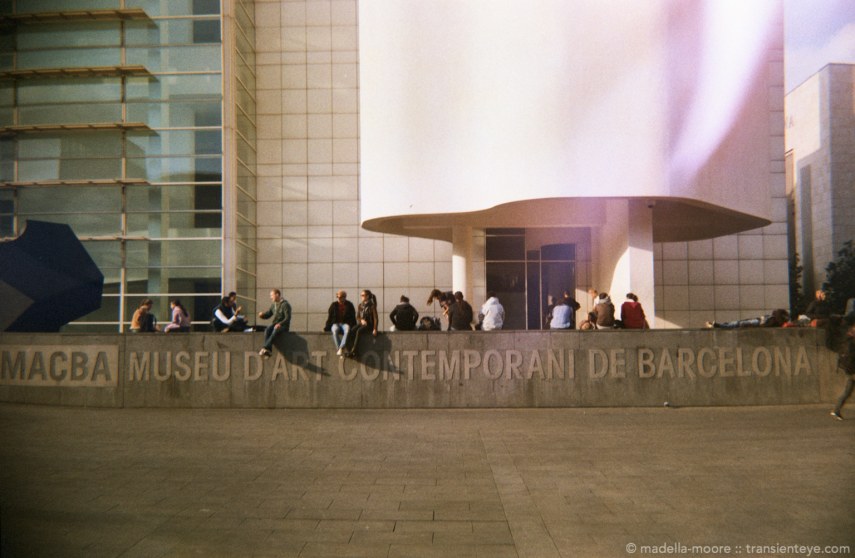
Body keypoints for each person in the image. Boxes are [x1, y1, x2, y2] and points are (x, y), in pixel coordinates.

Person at [831, 316, 855, 420]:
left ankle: (836, 410)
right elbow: (850, 359)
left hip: (851, 371)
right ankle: (836, 411)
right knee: (847, 392)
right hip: (852, 371)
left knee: (847, 392)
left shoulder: (849, 342)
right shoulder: (851, 344)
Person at [343, 290, 378, 358]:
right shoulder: (360, 305)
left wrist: (375, 329)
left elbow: (376, 318)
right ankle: (351, 350)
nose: (361, 297)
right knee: (351, 331)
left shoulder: (372, 306)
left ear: (367, 296)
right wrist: (361, 320)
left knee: (358, 331)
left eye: (363, 295)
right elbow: (358, 317)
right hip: (362, 324)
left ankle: (353, 351)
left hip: (369, 325)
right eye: (361, 295)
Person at [257, 289, 291, 358]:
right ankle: (268, 350)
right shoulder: (274, 305)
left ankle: (265, 347)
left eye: (271, 295)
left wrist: (280, 324)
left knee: (275, 329)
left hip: (284, 326)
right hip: (275, 324)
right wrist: (262, 315)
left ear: (277, 295)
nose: (270, 297)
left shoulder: (285, 305)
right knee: (267, 329)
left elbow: (288, 318)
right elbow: (269, 314)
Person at [324, 290, 357, 356]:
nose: (339, 299)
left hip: (345, 323)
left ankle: (341, 347)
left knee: (347, 330)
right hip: (336, 323)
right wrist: (327, 326)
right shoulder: (334, 305)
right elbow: (330, 317)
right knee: (334, 331)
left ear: (344, 297)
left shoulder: (349, 305)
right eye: (338, 297)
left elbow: (353, 316)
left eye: (340, 297)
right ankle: (340, 348)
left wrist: (354, 326)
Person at [705, 309, 790, 329]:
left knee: (737, 324)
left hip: (758, 322)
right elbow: (776, 312)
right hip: (758, 321)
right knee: (737, 323)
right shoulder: (776, 318)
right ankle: (719, 325)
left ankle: (718, 325)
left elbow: (776, 312)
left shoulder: (777, 320)